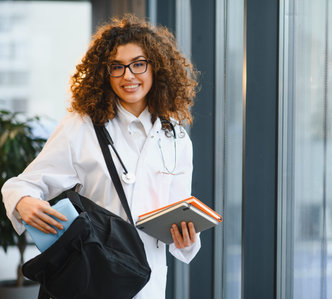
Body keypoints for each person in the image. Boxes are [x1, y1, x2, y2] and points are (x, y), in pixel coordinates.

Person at [1, 14, 200, 298]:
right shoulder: (81, 127)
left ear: (157, 68)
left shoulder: (176, 138)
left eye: (138, 64)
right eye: (116, 67)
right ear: (104, 73)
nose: (128, 75)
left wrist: (187, 240)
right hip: (94, 278)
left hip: (149, 283)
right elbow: (22, 184)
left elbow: (179, 213)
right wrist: (23, 202)